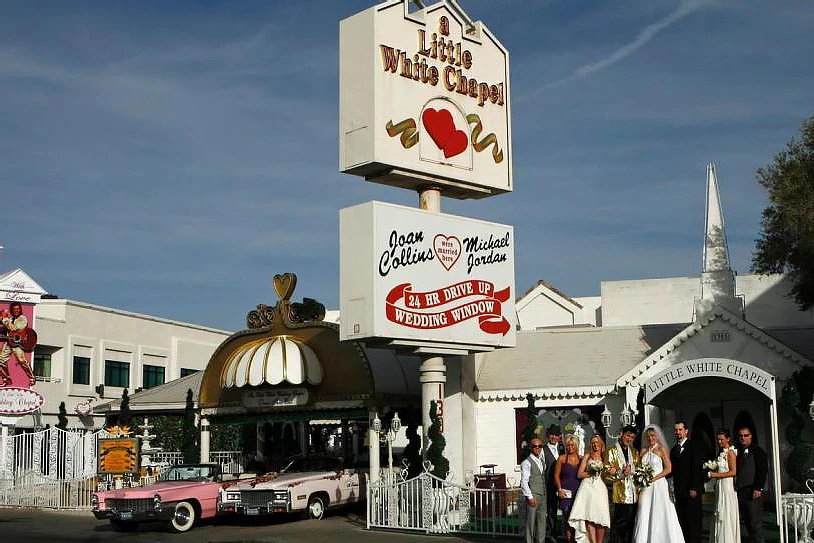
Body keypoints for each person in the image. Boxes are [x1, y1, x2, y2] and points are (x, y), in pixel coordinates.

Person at [633, 425, 685, 543]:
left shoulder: (661, 449)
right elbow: (638, 468)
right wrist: (641, 478)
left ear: (657, 436)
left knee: (660, 511)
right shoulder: (643, 451)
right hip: (646, 486)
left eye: (652, 436)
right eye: (648, 437)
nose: (650, 438)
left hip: (658, 484)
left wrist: (654, 478)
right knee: (644, 510)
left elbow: (668, 468)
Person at [568, 434, 610, 543]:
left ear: (601, 443)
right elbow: (579, 474)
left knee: (601, 517)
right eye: (593, 443)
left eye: (597, 442)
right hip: (587, 488)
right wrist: (591, 473)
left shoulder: (605, 456)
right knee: (589, 516)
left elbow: (608, 474)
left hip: (600, 488)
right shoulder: (588, 456)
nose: (595, 444)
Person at [604, 425, 640, 543]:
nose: (629, 439)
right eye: (627, 435)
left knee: (631, 526)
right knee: (618, 527)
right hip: (618, 495)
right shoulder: (611, 450)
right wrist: (621, 473)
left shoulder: (635, 452)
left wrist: (634, 472)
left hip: (633, 495)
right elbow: (606, 473)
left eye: (632, 437)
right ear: (621, 434)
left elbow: (639, 471)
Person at [670, 420, 704, 543]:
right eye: (676, 430)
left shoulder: (694, 446)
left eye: (680, 429)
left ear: (686, 431)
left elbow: (696, 467)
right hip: (679, 492)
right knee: (682, 522)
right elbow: (671, 470)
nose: (678, 432)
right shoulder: (674, 450)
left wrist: (694, 487)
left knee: (693, 523)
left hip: (691, 491)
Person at [735, 426, 768, 543]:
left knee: (755, 524)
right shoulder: (738, 452)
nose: (743, 438)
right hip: (741, 492)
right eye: (740, 436)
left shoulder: (757, 451)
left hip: (753, 491)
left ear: (751, 436)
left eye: (745, 435)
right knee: (748, 524)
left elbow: (762, 470)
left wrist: (758, 488)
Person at [707, 429, 740, 543]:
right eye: (718, 439)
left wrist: (716, 474)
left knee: (726, 513)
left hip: (728, 486)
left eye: (722, 439)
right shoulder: (721, 453)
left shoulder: (730, 453)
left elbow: (733, 472)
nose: (719, 442)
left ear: (728, 439)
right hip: (720, 486)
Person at [554, 434, 582, 543]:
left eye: (573, 445)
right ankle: (569, 540)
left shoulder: (581, 458)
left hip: (579, 493)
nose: (570, 447)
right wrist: (559, 489)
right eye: (568, 445)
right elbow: (556, 476)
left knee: (578, 518)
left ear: (576, 446)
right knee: (568, 519)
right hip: (566, 493)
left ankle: (578, 540)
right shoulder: (562, 459)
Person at [0, 302, 35, 387]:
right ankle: (6, 379)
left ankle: (31, 377)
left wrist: (5, 319)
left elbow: (14, 329)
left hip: (18, 343)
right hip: (9, 342)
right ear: (12, 310)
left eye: (18, 309)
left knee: (21, 360)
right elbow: (5, 329)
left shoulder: (22, 319)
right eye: (14, 309)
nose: (16, 311)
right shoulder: (11, 319)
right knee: (0, 361)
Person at [521, 437, 548, 543]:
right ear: (530, 447)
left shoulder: (541, 460)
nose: (537, 448)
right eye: (535, 446)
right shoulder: (526, 462)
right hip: (533, 495)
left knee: (542, 521)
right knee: (530, 522)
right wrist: (530, 496)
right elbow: (524, 481)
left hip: (543, 494)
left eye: (540, 446)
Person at [543, 424, 564, 540]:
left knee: (566, 508)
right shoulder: (543, 450)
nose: (554, 437)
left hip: (562, 484)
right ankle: (552, 533)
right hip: (549, 485)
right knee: (551, 509)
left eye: (556, 435)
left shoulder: (562, 448)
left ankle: (565, 531)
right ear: (548, 435)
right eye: (552, 434)